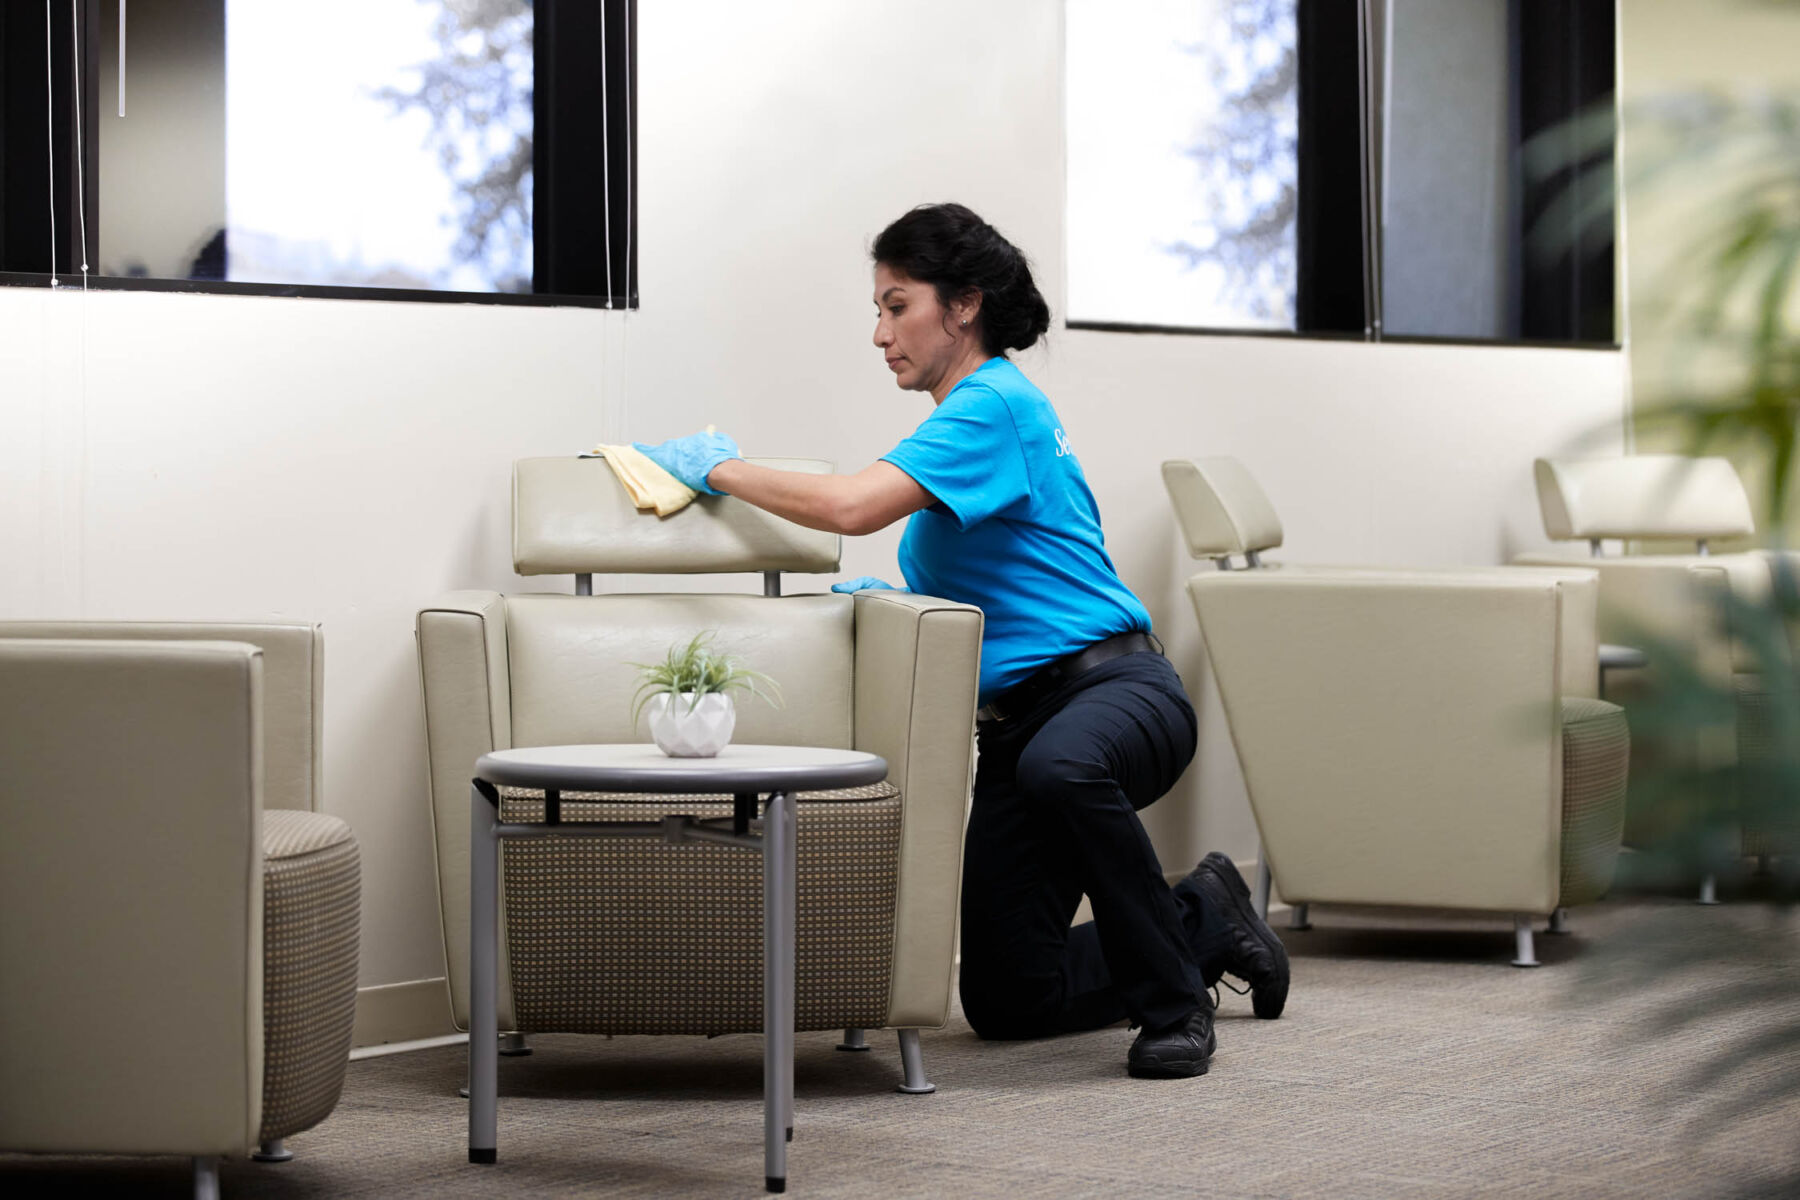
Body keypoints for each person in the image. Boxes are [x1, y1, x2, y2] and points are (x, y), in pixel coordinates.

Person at [634, 202, 1289, 1079]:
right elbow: (996, 575)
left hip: (1117, 695)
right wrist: (903, 598)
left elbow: (851, 507)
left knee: (1065, 767)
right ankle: (1205, 915)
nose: (880, 333)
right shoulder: (967, 417)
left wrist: (716, 467)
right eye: (877, 309)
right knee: (1012, 998)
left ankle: (1174, 1007)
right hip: (1023, 728)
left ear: (965, 304)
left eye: (896, 305)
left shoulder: (993, 402)